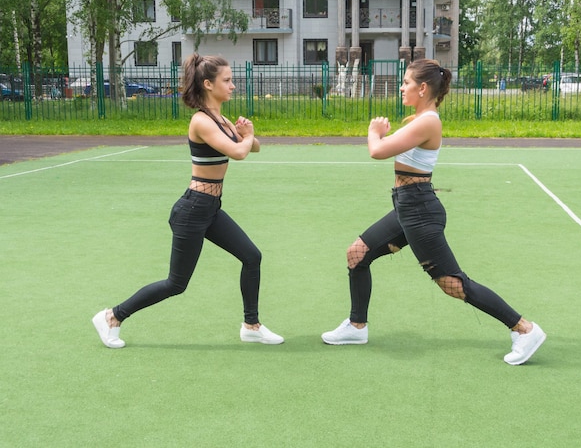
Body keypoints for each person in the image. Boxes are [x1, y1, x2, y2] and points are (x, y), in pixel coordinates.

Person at [321, 59, 545, 365]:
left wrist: (375, 131)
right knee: (357, 254)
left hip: (420, 212)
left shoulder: (428, 121)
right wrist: (385, 135)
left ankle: (524, 328)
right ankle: (357, 326)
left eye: (406, 83)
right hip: (406, 206)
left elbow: (377, 151)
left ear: (423, 88)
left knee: (452, 283)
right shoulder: (417, 120)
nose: (401, 87)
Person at [92, 54, 284, 348]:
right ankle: (111, 317)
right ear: (208, 84)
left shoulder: (220, 119)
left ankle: (252, 325)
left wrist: (246, 133)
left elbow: (251, 146)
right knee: (176, 284)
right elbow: (239, 152)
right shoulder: (201, 121)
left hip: (210, 209)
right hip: (193, 210)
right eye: (227, 80)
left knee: (252, 257)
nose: (233, 86)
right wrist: (247, 138)